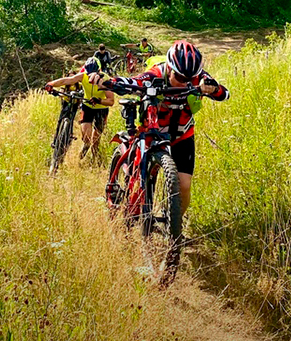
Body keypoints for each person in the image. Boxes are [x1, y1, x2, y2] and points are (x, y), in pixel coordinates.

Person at [90, 40, 229, 216]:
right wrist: (108, 82)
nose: (185, 82)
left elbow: (224, 94)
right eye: (179, 78)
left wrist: (212, 88)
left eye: (188, 79)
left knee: (184, 185)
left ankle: (173, 228)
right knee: (138, 173)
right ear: (170, 68)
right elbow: (132, 81)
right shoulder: (155, 74)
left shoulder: (197, 76)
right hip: (152, 131)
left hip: (182, 133)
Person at [45, 57, 115, 160]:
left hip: (101, 108)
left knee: (95, 141)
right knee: (86, 138)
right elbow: (67, 80)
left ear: (99, 71)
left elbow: (111, 101)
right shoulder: (83, 76)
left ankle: (95, 159)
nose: (90, 76)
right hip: (87, 107)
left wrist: (99, 100)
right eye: (88, 73)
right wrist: (51, 84)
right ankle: (85, 149)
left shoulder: (105, 80)